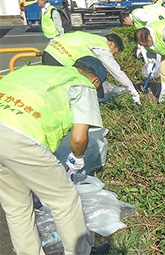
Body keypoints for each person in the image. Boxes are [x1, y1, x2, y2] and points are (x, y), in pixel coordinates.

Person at [0, 56, 111, 255]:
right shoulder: (83, 85)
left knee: (17, 206)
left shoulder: (37, 71)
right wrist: (77, 158)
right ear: (95, 81)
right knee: (64, 199)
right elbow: (78, 138)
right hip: (20, 135)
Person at [42, 31, 141, 104]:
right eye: (115, 51)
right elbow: (116, 71)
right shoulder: (102, 46)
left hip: (48, 52)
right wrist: (132, 90)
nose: (113, 55)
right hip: (61, 60)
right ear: (111, 44)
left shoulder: (90, 37)